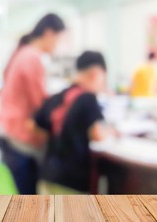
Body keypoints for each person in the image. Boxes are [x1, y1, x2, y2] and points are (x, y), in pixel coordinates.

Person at [0, 13, 66, 194]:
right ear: (49, 33)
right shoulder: (32, 57)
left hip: (9, 131)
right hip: (20, 138)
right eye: (58, 39)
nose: (58, 45)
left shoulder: (22, 53)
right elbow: (39, 103)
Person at [33, 51, 115, 194]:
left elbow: (36, 126)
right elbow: (98, 134)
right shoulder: (88, 98)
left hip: (47, 176)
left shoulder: (59, 96)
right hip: (71, 182)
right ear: (95, 74)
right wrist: (112, 130)